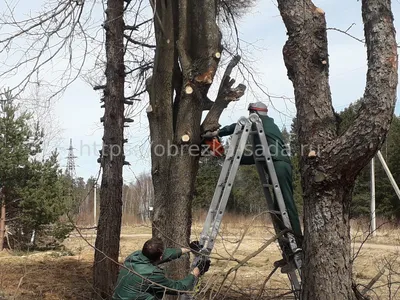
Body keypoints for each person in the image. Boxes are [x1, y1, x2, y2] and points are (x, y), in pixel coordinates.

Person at [203, 102, 303, 273]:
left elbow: (238, 126)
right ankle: (289, 254)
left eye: (250, 113)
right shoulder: (261, 132)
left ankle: (300, 247)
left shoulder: (263, 123)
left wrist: (217, 132)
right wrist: (229, 156)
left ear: (254, 113)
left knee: (287, 205)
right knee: (279, 212)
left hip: (279, 165)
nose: (249, 116)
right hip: (274, 164)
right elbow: (256, 157)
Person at [112, 238, 210, 300]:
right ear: (160, 257)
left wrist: (188, 249)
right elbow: (177, 288)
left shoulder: (134, 256)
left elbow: (163, 254)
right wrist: (196, 271)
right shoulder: (151, 274)